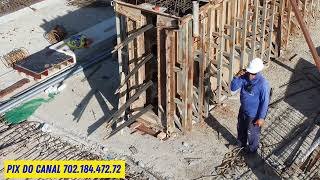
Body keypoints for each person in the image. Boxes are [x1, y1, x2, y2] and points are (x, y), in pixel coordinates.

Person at [231, 58, 270, 153]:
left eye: (253, 74)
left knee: (252, 134)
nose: (250, 76)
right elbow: (233, 88)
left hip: (254, 114)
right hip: (243, 110)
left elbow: (265, 102)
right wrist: (236, 77)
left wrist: (261, 118)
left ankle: (253, 151)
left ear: (258, 72)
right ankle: (241, 146)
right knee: (241, 128)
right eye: (249, 72)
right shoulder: (244, 77)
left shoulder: (263, 84)